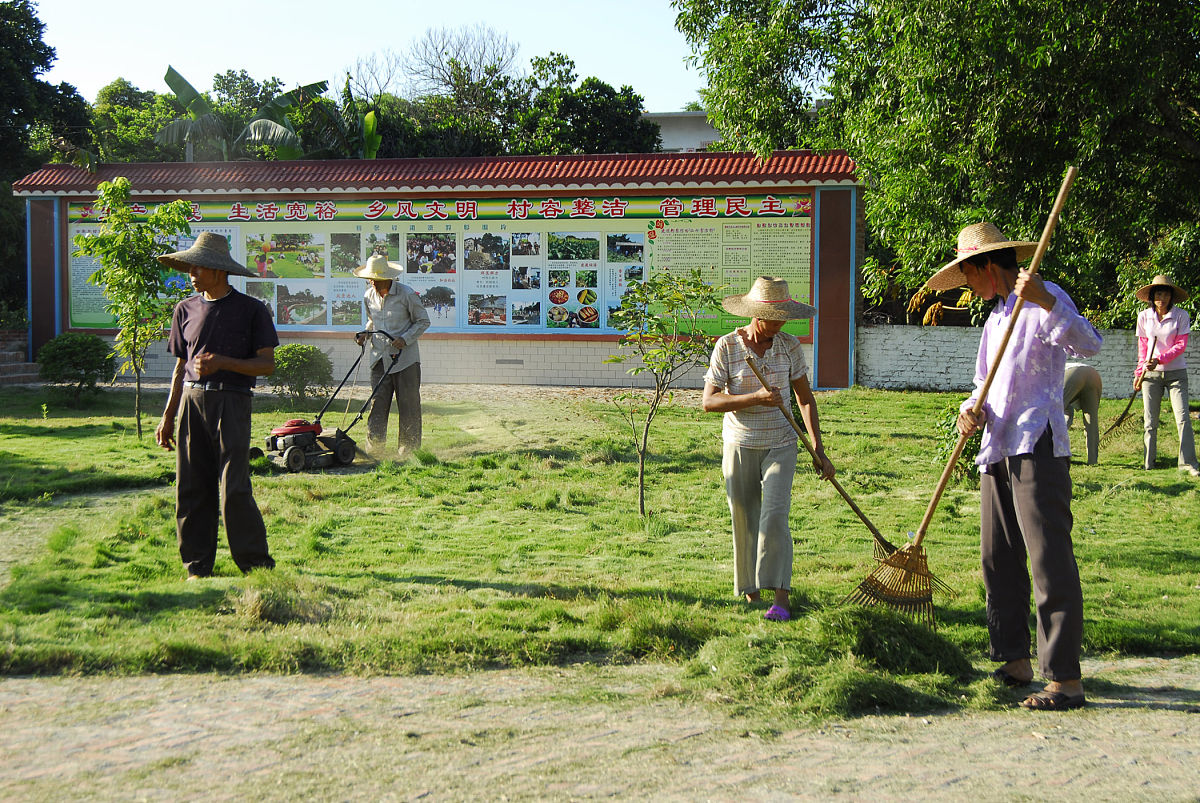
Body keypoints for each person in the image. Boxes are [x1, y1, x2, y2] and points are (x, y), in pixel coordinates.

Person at [927, 222, 1102, 711]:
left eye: (968, 276)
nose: (967, 288)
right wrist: (969, 409)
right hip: (997, 445)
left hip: (1037, 444)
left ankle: (1065, 679)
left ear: (985, 265)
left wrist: (1046, 300)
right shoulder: (994, 321)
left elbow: (1089, 346)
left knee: (1048, 557)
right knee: (996, 555)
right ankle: (1013, 659)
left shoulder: (1043, 299)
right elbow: (983, 382)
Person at [701, 276, 835, 623]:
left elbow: (805, 398)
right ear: (755, 315)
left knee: (774, 516)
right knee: (744, 518)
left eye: (782, 319)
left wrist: (818, 448)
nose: (778, 326)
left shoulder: (789, 346)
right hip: (740, 444)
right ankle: (750, 592)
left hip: (781, 443)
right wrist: (755, 398)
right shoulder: (728, 347)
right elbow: (709, 402)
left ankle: (781, 597)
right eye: (772, 319)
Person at [154, 232, 278, 579]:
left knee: (233, 486)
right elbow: (181, 367)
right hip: (192, 403)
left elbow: (266, 365)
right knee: (191, 486)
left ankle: (255, 565)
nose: (191, 272)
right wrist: (167, 415)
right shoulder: (185, 310)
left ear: (219, 270)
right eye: (190, 266)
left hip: (232, 402)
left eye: (198, 266)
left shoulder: (252, 311)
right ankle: (196, 567)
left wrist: (223, 362)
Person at [353, 254, 431, 459]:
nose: (372, 282)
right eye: (370, 279)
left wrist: (405, 338)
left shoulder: (407, 294)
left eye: (375, 279)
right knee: (377, 405)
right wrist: (365, 334)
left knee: (408, 406)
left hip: (405, 360)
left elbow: (423, 321)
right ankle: (375, 449)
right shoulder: (368, 296)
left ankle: (409, 451)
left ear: (387, 278)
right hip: (379, 357)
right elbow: (373, 322)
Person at [1134, 274, 1199, 477]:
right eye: (1158, 293)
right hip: (1150, 375)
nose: (1161, 297)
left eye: (1165, 293)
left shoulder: (1181, 315)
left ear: (1171, 296)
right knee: (1150, 420)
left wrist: (1160, 359)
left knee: (1182, 418)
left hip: (1176, 374)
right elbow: (1142, 349)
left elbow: (1180, 345)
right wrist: (1139, 373)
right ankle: (1148, 463)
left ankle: (1187, 463)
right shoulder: (1144, 316)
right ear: (1152, 297)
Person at [1063, 363, 1102, 465]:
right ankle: (1092, 461)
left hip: (1072, 374)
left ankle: (1055, 455)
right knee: (1091, 419)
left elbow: (1059, 413)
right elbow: (1068, 412)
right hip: (1092, 373)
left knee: (1053, 414)